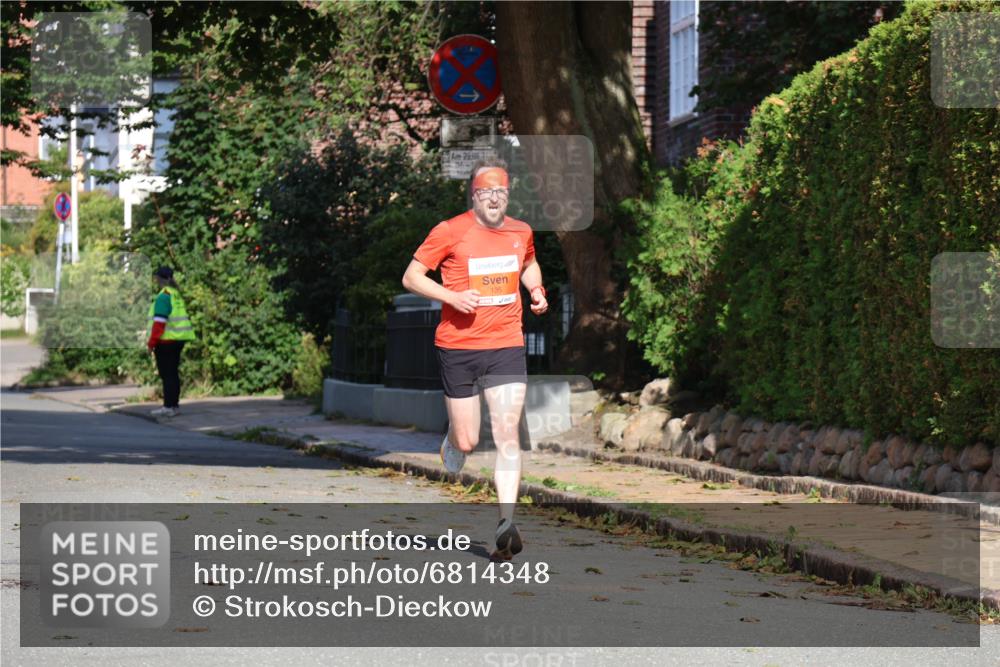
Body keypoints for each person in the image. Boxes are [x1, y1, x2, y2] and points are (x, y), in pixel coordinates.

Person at [402, 159, 548, 561]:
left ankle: (505, 522)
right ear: (474, 194)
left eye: (501, 191)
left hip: (505, 344)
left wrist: (536, 291)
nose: (494, 198)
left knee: (507, 434)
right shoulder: (450, 231)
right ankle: (453, 436)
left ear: (508, 193)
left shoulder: (521, 231)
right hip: (459, 347)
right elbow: (412, 276)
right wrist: (452, 297)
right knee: (468, 440)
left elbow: (529, 264)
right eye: (487, 192)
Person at [146, 266, 196, 418]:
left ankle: (168, 406)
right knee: (173, 373)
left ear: (158, 279)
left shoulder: (163, 297)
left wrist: (151, 343)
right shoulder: (175, 294)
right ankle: (174, 405)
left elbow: (159, 322)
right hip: (178, 339)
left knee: (167, 374)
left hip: (166, 341)